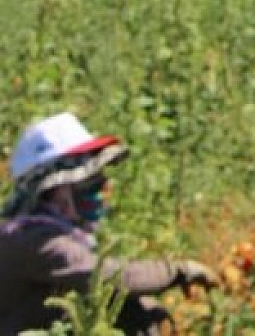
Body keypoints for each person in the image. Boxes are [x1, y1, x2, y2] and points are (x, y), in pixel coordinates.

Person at [1, 112, 217, 336]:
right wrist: (178, 271)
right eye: (90, 183)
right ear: (56, 191)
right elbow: (110, 278)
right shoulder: (35, 239)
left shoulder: (42, 233)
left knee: (138, 310)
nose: (103, 190)